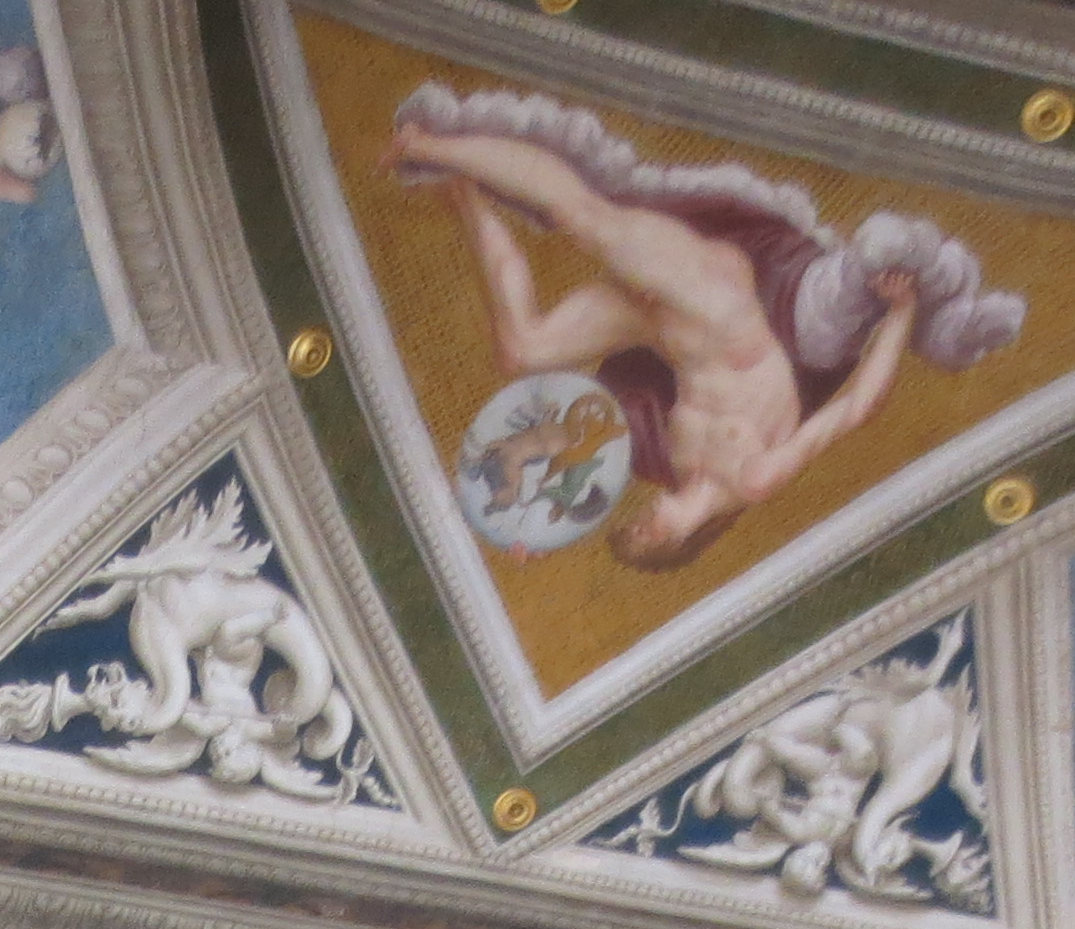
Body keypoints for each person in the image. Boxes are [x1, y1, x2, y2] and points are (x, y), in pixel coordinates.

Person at [382, 88, 1012, 574]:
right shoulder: (754, 476)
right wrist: (902, 314)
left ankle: (463, 194)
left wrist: (522, 526)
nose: (641, 518)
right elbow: (853, 409)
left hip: (664, 321)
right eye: (644, 530)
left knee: (522, 350)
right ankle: (431, 146)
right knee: (586, 216)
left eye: (633, 525)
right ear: (674, 540)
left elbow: (564, 452)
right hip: (717, 306)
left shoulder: (673, 464)